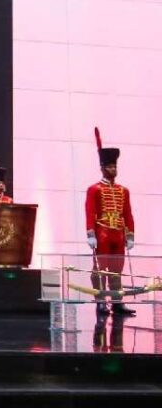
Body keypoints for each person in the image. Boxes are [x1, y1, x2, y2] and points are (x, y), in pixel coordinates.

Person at [86, 127, 135, 316]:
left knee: (116, 270)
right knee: (100, 268)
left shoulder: (124, 190)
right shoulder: (94, 189)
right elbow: (90, 212)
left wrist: (130, 235)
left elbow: (128, 214)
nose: (113, 169)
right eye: (110, 167)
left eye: (115, 167)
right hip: (102, 231)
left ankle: (116, 302)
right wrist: (91, 233)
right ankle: (100, 301)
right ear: (102, 168)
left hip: (118, 233)